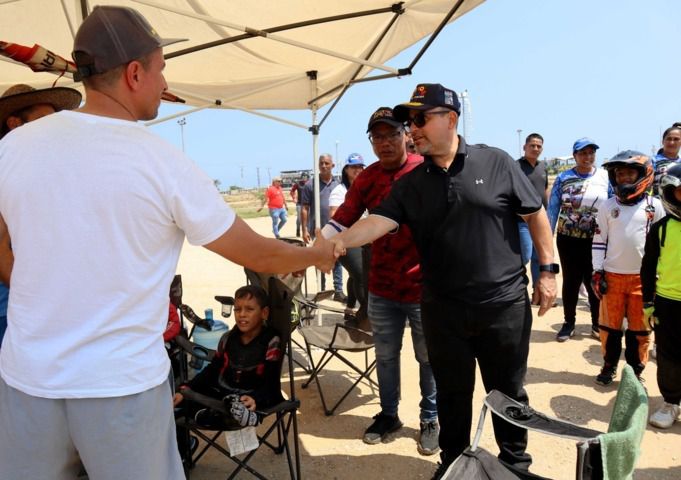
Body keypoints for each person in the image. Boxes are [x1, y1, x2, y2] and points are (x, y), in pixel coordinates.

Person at [0, 6, 335, 479]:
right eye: (160, 68)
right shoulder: (159, 160)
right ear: (134, 73)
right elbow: (255, 252)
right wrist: (316, 254)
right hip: (120, 389)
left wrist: (36, 286)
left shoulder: (12, 148)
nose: (163, 82)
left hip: (27, 383)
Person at [330, 84, 557, 478]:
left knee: (507, 392)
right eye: (410, 121)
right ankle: (453, 464)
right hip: (442, 309)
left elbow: (535, 215)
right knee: (453, 393)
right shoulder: (411, 184)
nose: (412, 128)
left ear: (450, 119)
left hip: (502, 306)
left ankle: (514, 465)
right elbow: (377, 222)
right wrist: (333, 244)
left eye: (420, 119)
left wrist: (548, 270)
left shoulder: (496, 162)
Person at [323, 108, 440, 455]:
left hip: (422, 288)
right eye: (377, 137)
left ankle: (430, 418)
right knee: (386, 357)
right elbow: (343, 217)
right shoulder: (368, 179)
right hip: (382, 287)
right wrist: (316, 248)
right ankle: (389, 415)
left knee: (427, 358)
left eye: (391, 135)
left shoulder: (424, 170)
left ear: (406, 134)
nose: (385, 143)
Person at [0, 83, 82, 347]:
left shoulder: (44, 170)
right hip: (13, 310)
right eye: (44, 121)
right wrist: (38, 298)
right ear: (14, 123)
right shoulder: (6, 169)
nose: (53, 130)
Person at [591, 151, 663, 386]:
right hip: (612, 277)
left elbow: (663, 244)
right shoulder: (608, 206)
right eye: (619, 173)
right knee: (609, 327)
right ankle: (609, 365)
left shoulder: (655, 207)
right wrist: (597, 270)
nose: (624, 177)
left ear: (643, 174)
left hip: (643, 280)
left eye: (630, 172)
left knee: (639, 330)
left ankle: (635, 371)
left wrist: (659, 276)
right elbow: (599, 240)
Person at [174, 285, 283, 431]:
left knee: (239, 406)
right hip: (223, 392)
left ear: (264, 313)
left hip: (251, 396)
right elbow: (212, 370)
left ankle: (241, 416)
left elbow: (271, 380)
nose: (242, 314)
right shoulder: (228, 338)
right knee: (182, 398)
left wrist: (256, 398)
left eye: (249, 309)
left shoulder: (271, 340)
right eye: (237, 309)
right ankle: (210, 414)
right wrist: (187, 388)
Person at [548, 138, 612, 342]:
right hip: (568, 239)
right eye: (583, 153)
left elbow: (612, 205)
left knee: (594, 280)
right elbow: (553, 209)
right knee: (571, 281)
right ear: (575, 156)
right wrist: (547, 236)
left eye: (591, 153)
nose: (587, 157)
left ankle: (596, 323)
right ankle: (569, 323)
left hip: (596, 240)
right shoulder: (563, 178)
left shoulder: (605, 177)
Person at [642, 163, 681, 429]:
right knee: (668, 356)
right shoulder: (662, 228)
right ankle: (671, 402)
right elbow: (647, 267)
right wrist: (647, 303)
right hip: (668, 303)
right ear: (669, 193)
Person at [301, 154, 346, 302]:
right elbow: (305, 208)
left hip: (336, 228)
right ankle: (322, 288)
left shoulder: (338, 185)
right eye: (321, 163)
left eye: (327, 163)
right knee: (320, 257)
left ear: (333, 165)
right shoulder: (310, 185)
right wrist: (305, 229)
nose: (324, 166)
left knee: (336, 259)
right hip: (318, 229)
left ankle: (338, 290)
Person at [329, 153, 367, 321]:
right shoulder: (340, 191)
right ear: (346, 170)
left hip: (365, 239)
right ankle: (365, 313)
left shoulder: (365, 188)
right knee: (361, 275)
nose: (357, 170)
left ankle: (350, 309)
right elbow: (335, 217)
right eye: (353, 167)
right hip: (347, 240)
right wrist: (340, 241)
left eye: (360, 166)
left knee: (355, 275)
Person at [516, 133, 549, 305]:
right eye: (532, 145)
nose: (535, 149)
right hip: (522, 221)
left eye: (539, 146)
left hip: (540, 222)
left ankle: (538, 293)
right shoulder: (515, 167)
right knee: (524, 257)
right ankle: (518, 292)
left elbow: (545, 189)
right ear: (525, 147)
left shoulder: (543, 167)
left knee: (539, 258)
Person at [652, 124, 681, 196]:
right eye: (669, 139)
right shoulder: (653, 161)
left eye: (676, 139)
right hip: (657, 204)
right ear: (662, 141)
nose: (672, 142)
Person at [290, 172, 309, 237]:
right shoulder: (298, 184)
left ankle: (307, 231)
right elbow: (292, 191)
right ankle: (298, 229)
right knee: (299, 218)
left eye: (305, 177)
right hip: (299, 204)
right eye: (303, 177)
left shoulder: (310, 183)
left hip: (308, 204)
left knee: (308, 218)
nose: (304, 178)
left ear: (307, 177)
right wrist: (294, 198)